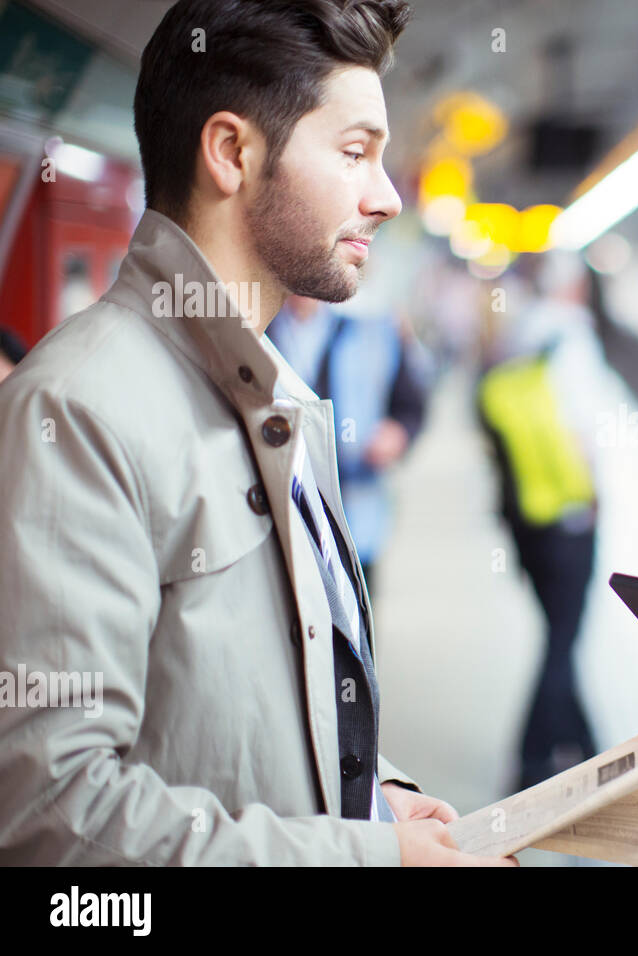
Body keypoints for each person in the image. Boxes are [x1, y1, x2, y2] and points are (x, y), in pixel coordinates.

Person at [0, 0, 512, 866]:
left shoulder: (271, 397)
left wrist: (369, 802)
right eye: (355, 153)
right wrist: (367, 860)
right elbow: (54, 815)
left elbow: (243, 720)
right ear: (232, 153)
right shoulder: (78, 411)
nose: (386, 197)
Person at [476, 251, 605, 791]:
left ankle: (586, 744)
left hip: (524, 515)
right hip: (566, 512)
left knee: (558, 630)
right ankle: (532, 760)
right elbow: (585, 425)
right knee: (562, 636)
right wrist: (596, 490)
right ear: (574, 287)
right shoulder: (572, 335)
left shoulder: (521, 329)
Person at [268, 295, 431, 585]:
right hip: (280, 509)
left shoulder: (374, 329)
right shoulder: (259, 327)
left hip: (355, 505)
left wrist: (397, 434)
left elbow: (410, 405)